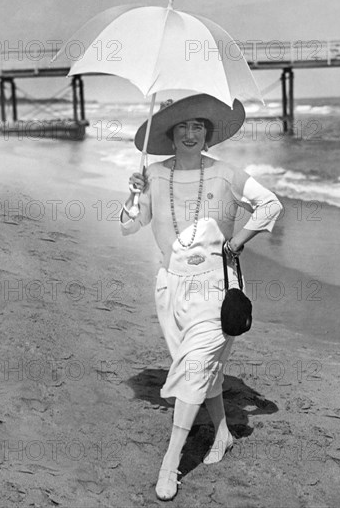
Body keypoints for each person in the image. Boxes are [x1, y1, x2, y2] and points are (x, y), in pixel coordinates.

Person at [120, 94, 282, 501]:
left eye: (198, 127)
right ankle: (223, 433)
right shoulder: (153, 173)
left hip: (216, 288)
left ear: (208, 134)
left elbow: (269, 204)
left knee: (194, 368)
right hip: (170, 287)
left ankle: (170, 464)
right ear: (169, 135)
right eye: (182, 127)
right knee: (200, 368)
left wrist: (237, 244)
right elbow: (129, 226)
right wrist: (134, 195)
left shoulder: (226, 173)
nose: (191, 134)